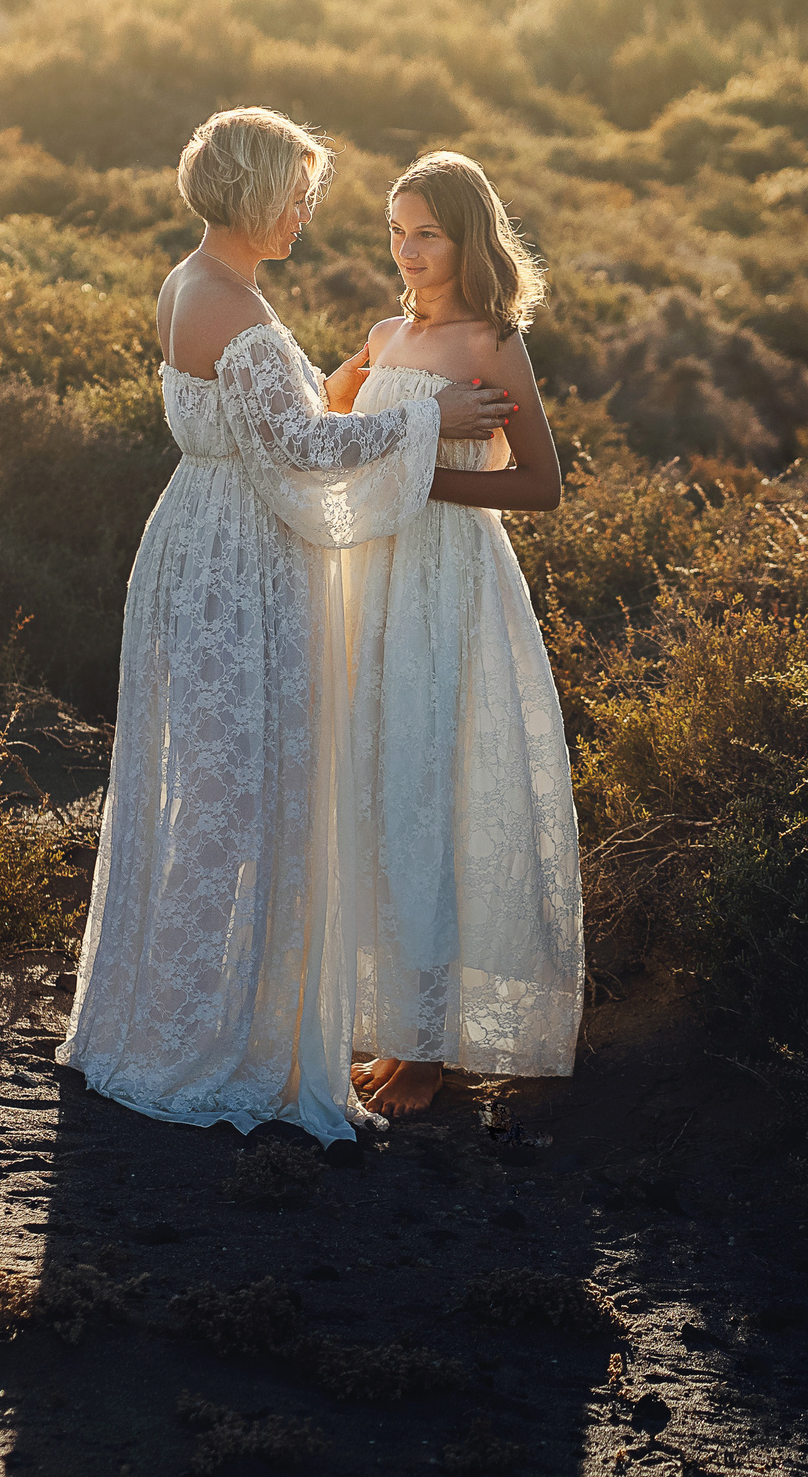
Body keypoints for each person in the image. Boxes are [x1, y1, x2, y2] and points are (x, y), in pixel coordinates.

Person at [58, 109, 513, 1145]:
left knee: (208, 795)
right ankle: (210, 1039)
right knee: (245, 796)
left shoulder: (191, 283)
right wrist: (424, 419)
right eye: (300, 193)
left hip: (194, 541)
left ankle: (166, 1015)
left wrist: (344, 382)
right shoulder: (239, 311)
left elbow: (268, 419)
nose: (308, 213)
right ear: (260, 192)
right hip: (238, 565)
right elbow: (302, 448)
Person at [328, 150, 584, 1119]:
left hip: (449, 580)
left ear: (467, 236)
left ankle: (431, 1052)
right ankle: (397, 1031)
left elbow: (539, 486)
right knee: (381, 787)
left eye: (425, 230)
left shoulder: (492, 341)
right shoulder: (386, 333)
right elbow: (336, 427)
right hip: (374, 581)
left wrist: (425, 479)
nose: (408, 248)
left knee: (432, 790)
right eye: (396, 229)